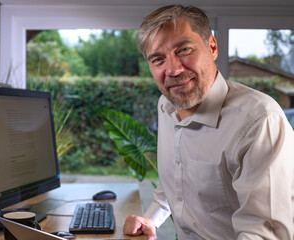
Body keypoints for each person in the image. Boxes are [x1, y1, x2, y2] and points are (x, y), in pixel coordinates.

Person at [123, 4, 294, 240]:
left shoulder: (260, 121)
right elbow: (176, 181)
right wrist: (149, 219)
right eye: (158, 59)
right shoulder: (166, 105)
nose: (173, 70)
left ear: (212, 47)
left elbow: (265, 235)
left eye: (183, 49)